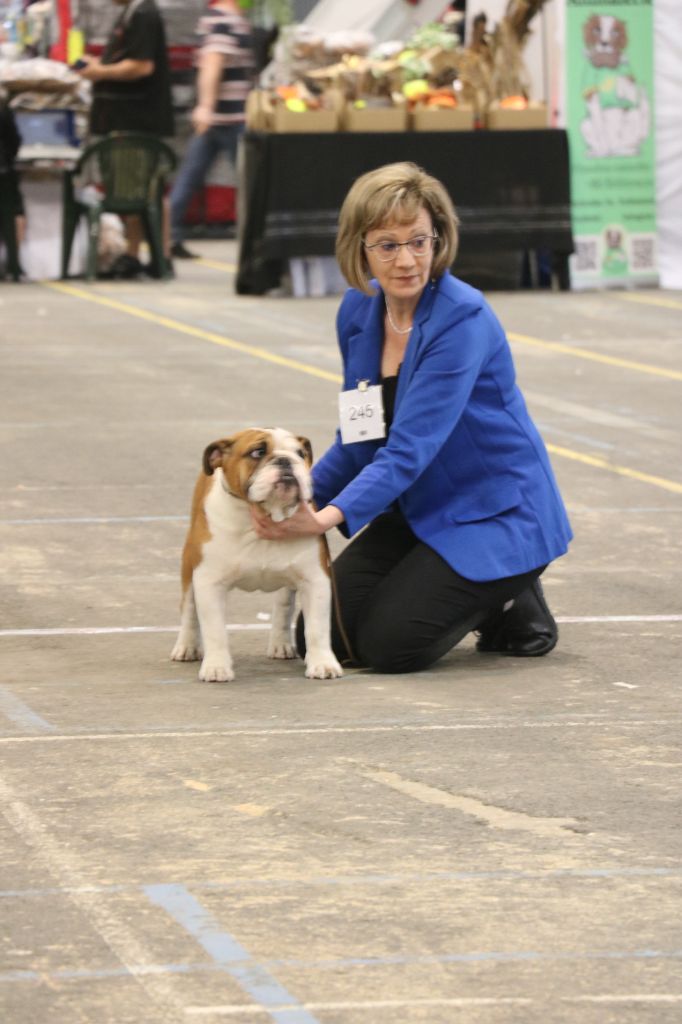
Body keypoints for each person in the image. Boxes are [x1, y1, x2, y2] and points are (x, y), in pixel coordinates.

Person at [251, 162, 573, 674]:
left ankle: (508, 596)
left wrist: (324, 519)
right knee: (330, 636)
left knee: (389, 647)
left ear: (438, 239)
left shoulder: (461, 319)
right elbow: (359, 437)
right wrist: (296, 500)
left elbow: (408, 449)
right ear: (360, 248)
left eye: (419, 241)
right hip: (421, 505)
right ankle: (471, 587)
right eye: (388, 244)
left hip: (495, 511)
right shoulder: (359, 310)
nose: (406, 260)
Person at [76, 0, 174, 275]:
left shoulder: (144, 14)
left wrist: (100, 72)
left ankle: (155, 255)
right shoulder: (131, 14)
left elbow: (142, 66)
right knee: (136, 187)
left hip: (138, 118)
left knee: (143, 190)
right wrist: (101, 64)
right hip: (127, 118)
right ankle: (141, 254)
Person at [169, 0, 256, 260]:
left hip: (226, 117)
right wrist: (205, 106)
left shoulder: (235, 20)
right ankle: (255, 242)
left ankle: (170, 236)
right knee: (250, 180)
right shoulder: (221, 20)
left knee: (190, 177)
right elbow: (212, 63)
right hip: (227, 118)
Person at [0, 90, 26, 272]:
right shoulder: (4, 110)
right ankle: (14, 264)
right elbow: (14, 141)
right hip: (4, 172)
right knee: (16, 210)